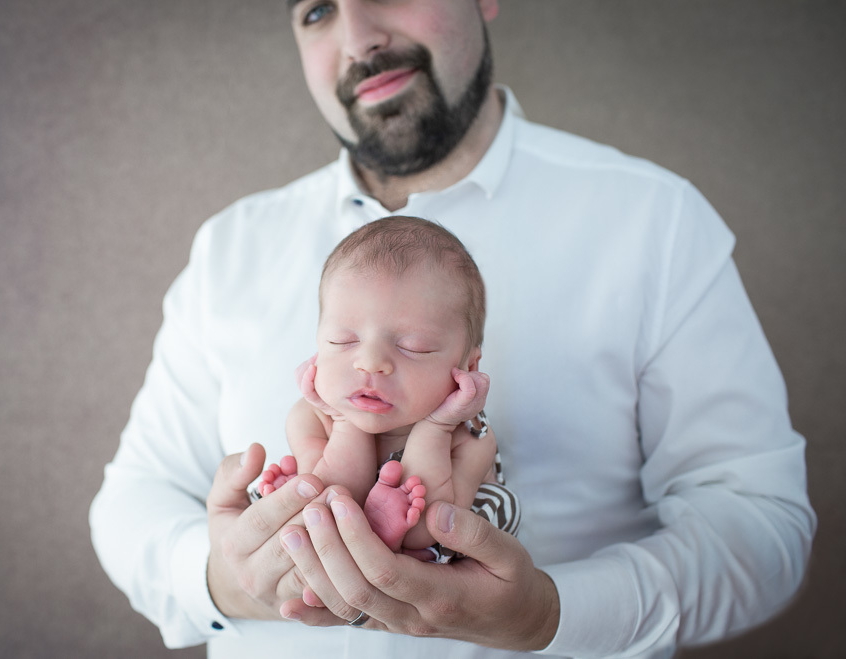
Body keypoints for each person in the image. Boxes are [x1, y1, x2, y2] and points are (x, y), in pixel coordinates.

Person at [89, 1, 816, 657]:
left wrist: (552, 616)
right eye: (316, 10)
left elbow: (762, 528)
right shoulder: (231, 246)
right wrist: (223, 577)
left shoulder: (653, 223)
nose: (359, 36)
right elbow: (133, 500)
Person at [260, 216, 518, 558]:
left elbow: (431, 527)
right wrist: (343, 421)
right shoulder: (309, 417)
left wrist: (437, 427)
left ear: (467, 367)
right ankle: (323, 514)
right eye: (342, 340)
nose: (370, 363)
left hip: (429, 551)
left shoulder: (472, 437)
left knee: (502, 508)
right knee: (306, 499)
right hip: (334, 523)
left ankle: (383, 533)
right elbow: (332, 492)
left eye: (413, 347)